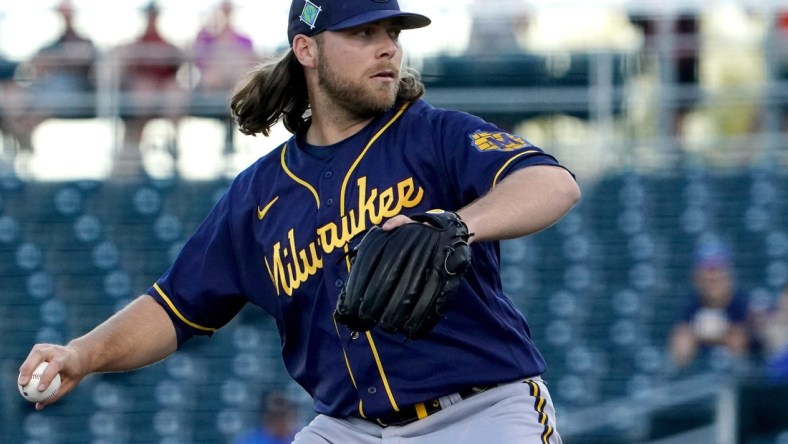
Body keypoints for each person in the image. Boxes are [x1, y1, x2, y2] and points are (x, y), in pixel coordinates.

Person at [18, 1, 580, 443]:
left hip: (480, 413)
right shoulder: (259, 195)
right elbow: (175, 306)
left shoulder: (434, 134)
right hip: (347, 428)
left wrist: (456, 224)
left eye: (393, 33)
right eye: (363, 34)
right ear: (306, 49)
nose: (386, 47)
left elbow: (552, 183)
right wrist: (82, 355)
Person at [0, 0, 98, 153]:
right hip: (44, 93)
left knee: (40, 106)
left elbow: (86, 63)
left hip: (70, 95)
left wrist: (59, 60)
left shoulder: (85, 42)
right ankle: (20, 138)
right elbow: (34, 67)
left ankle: (22, 138)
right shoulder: (50, 45)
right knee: (11, 94)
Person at [112, 1, 186, 177]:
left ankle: (172, 147)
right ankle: (135, 156)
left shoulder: (167, 45)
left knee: (173, 94)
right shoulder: (135, 45)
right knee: (142, 92)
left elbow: (177, 65)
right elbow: (123, 67)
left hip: (162, 97)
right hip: (139, 104)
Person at [668, 240, 751, 372]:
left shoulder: (740, 301)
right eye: (708, 271)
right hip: (697, 374)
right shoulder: (690, 303)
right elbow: (680, 350)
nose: (713, 277)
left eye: (717, 271)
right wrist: (718, 334)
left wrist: (709, 333)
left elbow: (739, 345)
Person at [190, 0, 259, 155]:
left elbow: (251, 64)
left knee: (236, 68)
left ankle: (231, 107)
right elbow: (200, 63)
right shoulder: (206, 37)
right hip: (212, 88)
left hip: (235, 86)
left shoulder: (243, 39)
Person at [233, 390, 300, 444]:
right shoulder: (249, 440)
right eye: (275, 416)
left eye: (283, 415)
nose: (279, 421)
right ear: (266, 417)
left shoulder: (301, 438)